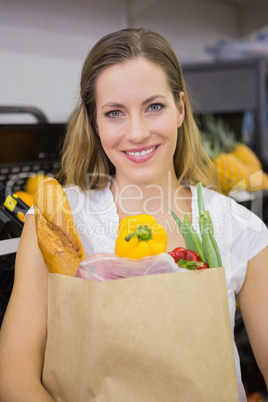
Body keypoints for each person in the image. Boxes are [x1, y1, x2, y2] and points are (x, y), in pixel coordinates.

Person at [0, 28, 267, 402]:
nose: (137, 132)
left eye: (154, 106)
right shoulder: (55, 220)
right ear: (94, 122)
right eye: (114, 113)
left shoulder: (240, 229)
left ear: (180, 109)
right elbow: (15, 378)